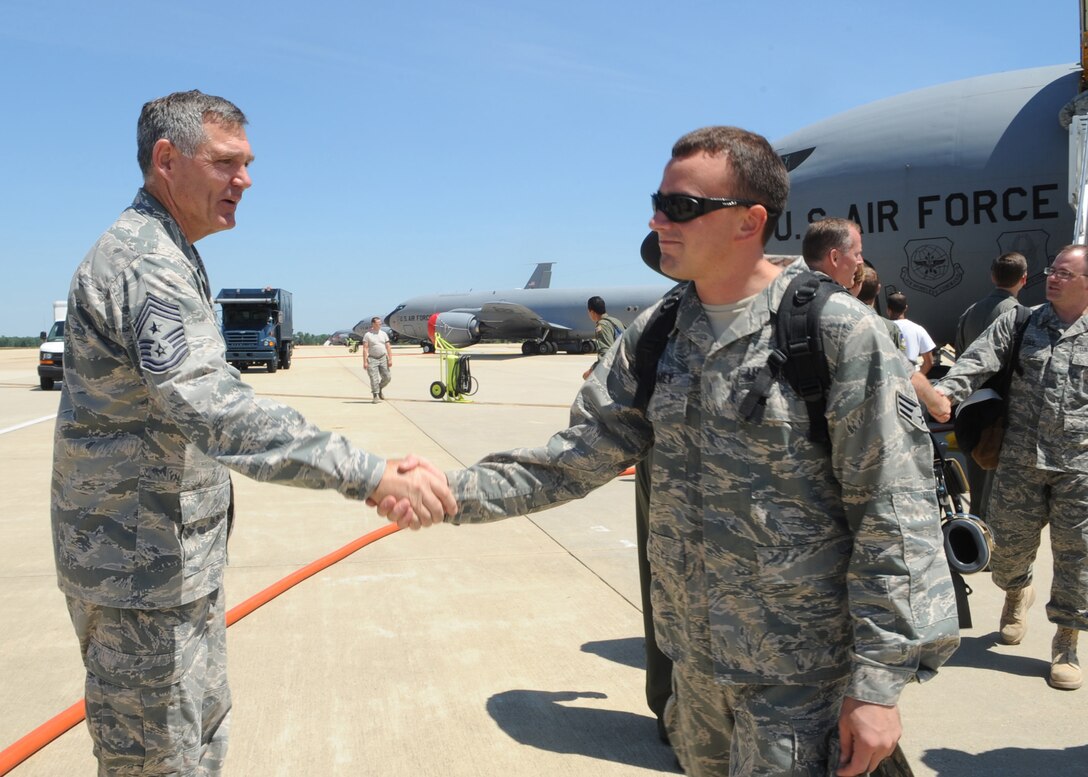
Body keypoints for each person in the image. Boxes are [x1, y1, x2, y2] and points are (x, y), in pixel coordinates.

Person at [383, 126, 959, 776]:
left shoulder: (834, 332)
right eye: (660, 202)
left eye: (683, 206)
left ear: (750, 220)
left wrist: (879, 686)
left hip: (799, 686)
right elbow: (577, 455)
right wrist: (450, 491)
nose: (660, 220)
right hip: (695, 677)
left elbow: (897, 516)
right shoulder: (656, 334)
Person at [51, 90, 455, 775]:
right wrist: (372, 474)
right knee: (159, 762)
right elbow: (219, 411)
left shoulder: (173, 250)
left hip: (170, 566)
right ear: (166, 160)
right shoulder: (145, 261)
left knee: (199, 742)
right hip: (137, 578)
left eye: (248, 162)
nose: (246, 180)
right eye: (227, 162)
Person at [934, 244, 1088, 691]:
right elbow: (976, 361)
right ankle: (1017, 591)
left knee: (1077, 558)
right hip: (1020, 461)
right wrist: (946, 393)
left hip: (1079, 467)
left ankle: (1066, 641)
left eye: (1065, 273)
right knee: (1004, 555)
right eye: (1051, 271)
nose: (1053, 278)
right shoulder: (1021, 321)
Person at [953, 252, 1029, 517]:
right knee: (1004, 494)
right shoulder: (1021, 317)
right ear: (1024, 278)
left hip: (973, 409)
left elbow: (963, 360)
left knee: (977, 488)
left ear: (992, 276)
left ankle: (975, 544)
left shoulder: (969, 313)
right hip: (1004, 416)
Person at [800, 217, 865, 290]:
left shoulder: (789, 293)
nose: (860, 261)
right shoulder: (841, 300)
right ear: (835, 258)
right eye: (856, 254)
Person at [887, 291, 937, 375]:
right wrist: (915, 379)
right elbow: (929, 361)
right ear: (906, 308)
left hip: (890, 378)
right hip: (911, 377)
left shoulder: (880, 327)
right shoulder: (918, 329)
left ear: (888, 309)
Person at [582, 296, 625, 379]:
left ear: (592, 311)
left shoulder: (602, 326)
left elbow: (605, 354)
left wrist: (591, 371)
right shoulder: (615, 321)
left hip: (616, 373)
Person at [362, 316, 393, 402]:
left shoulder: (383, 334)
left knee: (387, 377)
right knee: (374, 378)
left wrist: (390, 359)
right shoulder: (368, 335)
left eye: (380, 323)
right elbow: (365, 349)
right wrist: (365, 362)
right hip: (372, 359)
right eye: (378, 323)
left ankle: (380, 388)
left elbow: (388, 347)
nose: (380, 324)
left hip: (383, 358)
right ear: (373, 324)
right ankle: (375, 396)